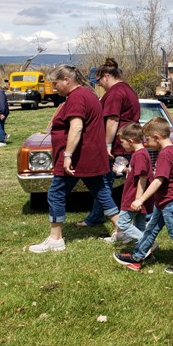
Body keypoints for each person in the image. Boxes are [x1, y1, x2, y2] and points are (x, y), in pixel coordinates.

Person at [28, 65, 120, 253]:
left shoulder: (77, 97)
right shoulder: (88, 94)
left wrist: (67, 155)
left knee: (56, 193)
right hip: (91, 156)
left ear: (67, 80)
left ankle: (55, 239)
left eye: (56, 83)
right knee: (102, 193)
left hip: (77, 157)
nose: (54, 88)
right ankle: (123, 230)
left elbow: (76, 127)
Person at [113, 117, 173, 274]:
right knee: (151, 230)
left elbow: (158, 180)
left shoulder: (165, 154)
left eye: (148, 139)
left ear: (157, 138)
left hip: (170, 201)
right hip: (164, 200)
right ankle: (137, 258)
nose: (145, 142)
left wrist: (141, 199)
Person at [78, 58, 140, 229]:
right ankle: (97, 217)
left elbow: (112, 119)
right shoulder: (128, 90)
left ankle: (119, 223)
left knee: (104, 183)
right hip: (125, 143)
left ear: (106, 76)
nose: (99, 85)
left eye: (98, 82)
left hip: (118, 146)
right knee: (107, 182)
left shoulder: (115, 93)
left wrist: (107, 145)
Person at [102, 123, 152, 245]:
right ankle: (143, 251)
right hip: (138, 197)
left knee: (122, 222)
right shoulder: (140, 154)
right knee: (140, 226)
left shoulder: (139, 155)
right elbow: (138, 172)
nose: (122, 146)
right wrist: (124, 170)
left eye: (122, 142)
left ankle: (147, 243)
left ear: (130, 141)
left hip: (134, 197)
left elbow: (143, 177)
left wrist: (138, 199)